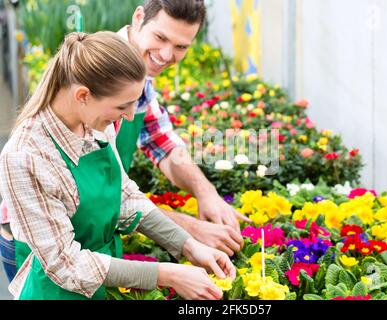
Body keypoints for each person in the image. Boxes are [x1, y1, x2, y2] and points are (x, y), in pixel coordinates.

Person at [0, 31, 234, 300]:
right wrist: (167, 274)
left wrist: (189, 245)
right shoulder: (25, 156)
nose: (131, 115)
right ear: (83, 95)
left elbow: (125, 197)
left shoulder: (94, 124)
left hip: (106, 279)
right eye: (123, 105)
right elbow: (66, 264)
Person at [114, 0, 251, 251]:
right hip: (48, 256)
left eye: (180, 46)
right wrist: (189, 229)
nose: (167, 55)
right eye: (160, 37)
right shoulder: (102, 72)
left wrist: (206, 192)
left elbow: (161, 142)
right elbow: (97, 194)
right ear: (138, 17)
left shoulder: (137, 75)